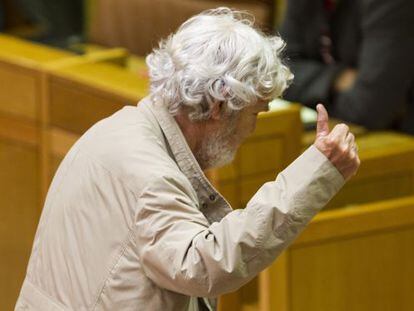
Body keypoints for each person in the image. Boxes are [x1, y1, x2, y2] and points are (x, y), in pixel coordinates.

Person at [15, 8, 359, 311]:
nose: (252, 129)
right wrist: (316, 173)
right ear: (219, 107)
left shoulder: (112, 130)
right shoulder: (151, 177)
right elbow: (207, 266)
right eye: (256, 112)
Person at [280, 0, 414, 134]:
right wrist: (336, 77)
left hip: (394, 139)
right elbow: (280, 72)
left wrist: (306, 91)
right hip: (334, 129)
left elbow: (369, 109)